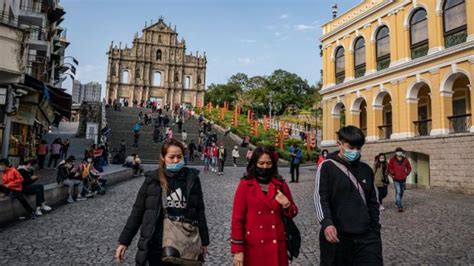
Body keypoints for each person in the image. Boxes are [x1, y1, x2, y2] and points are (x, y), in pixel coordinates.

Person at [116, 138, 210, 265]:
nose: (176, 160)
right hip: (156, 244)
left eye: (179, 156)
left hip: (184, 245)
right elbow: (137, 212)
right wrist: (124, 242)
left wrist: (204, 243)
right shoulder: (152, 180)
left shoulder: (192, 179)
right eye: (172, 157)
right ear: (163, 157)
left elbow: (199, 212)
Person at [314, 126, 382, 265]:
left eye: (359, 148)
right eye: (351, 147)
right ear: (339, 143)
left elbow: (373, 201)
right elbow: (321, 198)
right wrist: (327, 223)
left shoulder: (366, 170)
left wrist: (374, 229)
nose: (355, 151)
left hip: (367, 237)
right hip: (338, 237)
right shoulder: (327, 167)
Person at [231, 146, 298, 266]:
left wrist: (286, 204)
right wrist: (238, 250)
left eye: (268, 163)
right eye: (261, 163)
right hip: (253, 249)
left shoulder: (280, 184)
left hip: (277, 247)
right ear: (254, 163)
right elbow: (237, 219)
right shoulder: (245, 185)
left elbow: (293, 212)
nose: (265, 167)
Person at [388, 147, 412, 212]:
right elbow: (389, 168)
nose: (399, 152)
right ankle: (400, 206)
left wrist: (406, 173)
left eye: (400, 151)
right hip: (396, 179)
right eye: (398, 151)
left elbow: (409, 168)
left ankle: (397, 202)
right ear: (395, 152)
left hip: (403, 179)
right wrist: (393, 173)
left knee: (401, 192)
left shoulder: (405, 159)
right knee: (398, 192)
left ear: (402, 152)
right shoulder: (392, 160)